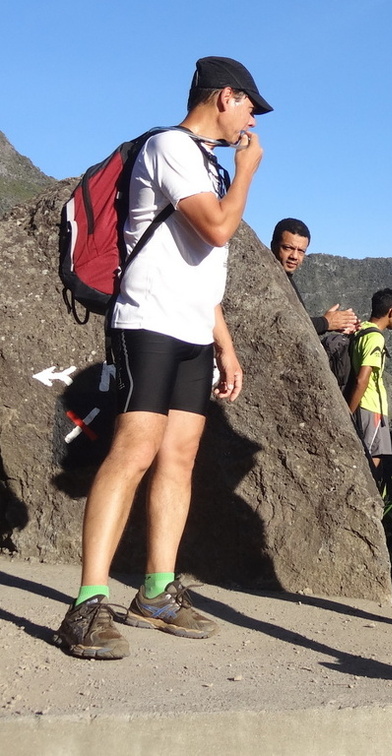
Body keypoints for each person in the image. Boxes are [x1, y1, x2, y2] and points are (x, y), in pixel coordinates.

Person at [54, 56, 272, 660]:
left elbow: (199, 264)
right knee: (135, 450)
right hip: (147, 322)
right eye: (249, 105)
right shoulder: (171, 147)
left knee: (179, 456)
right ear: (225, 97)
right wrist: (247, 171)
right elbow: (219, 229)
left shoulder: (203, 161)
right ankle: (87, 604)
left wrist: (224, 344)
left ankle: (155, 592)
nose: (252, 120)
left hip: (192, 330)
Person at [345, 288, 392, 476]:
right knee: (370, 465)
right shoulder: (375, 338)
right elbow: (362, 379)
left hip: (363, 407)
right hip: (371, 408)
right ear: (391, 311)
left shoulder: (361, 330)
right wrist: (347, 414)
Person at [270, 217, 359, 335]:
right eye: (288, 248)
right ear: (273, 245)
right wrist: (325, 322)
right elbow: (283, 326)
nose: (294, 256)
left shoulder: (286, 280)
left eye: (301, 251)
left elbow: (299, 328)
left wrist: (333, 324)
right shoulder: (268, 279)